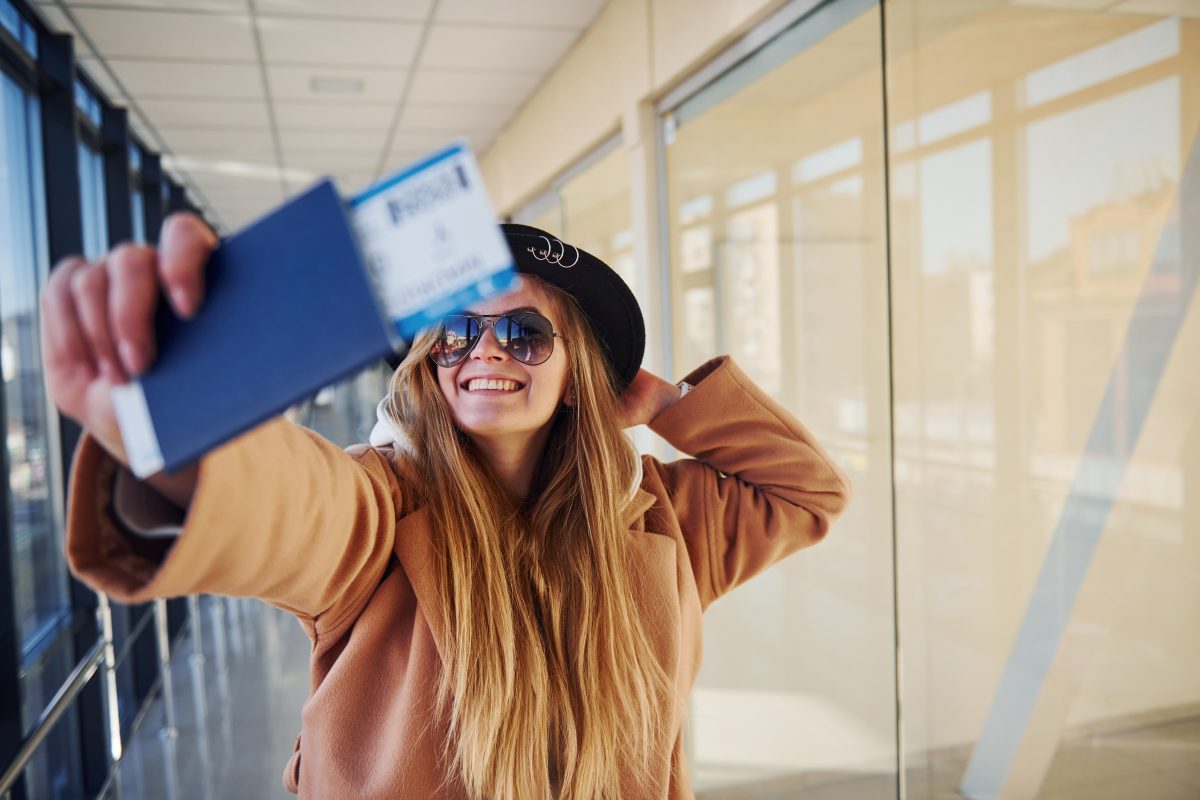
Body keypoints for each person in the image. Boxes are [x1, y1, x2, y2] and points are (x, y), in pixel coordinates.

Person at [44, 215, 852, 800]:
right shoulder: (378, 508)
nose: (486, 351)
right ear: (432, 361)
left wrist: (668, 401)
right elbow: (284, 505)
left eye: (526, 333)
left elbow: (805, 490)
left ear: (579, 373)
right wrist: (170, 421)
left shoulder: (659, 521)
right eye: (459, 331)